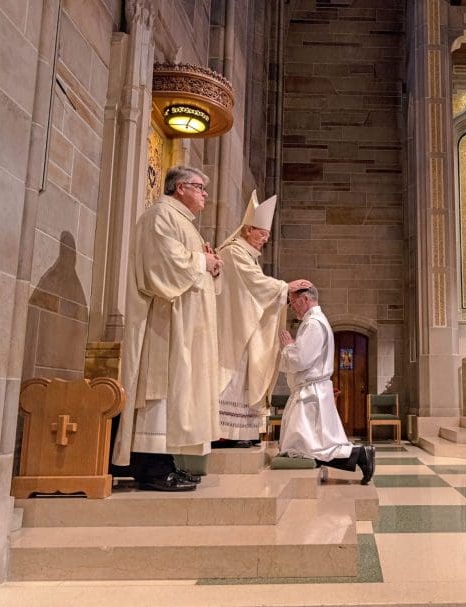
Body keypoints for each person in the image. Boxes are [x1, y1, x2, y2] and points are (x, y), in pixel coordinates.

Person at [111, 165, 224, 491]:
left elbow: (193, 267)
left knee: (175, 397)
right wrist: (202, 263)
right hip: (165, 327)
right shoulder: (159, 215)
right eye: (200, 187)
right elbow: (162, 267)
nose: (205, 194)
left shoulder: (185, 223)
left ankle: (167, 463)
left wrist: (212, 268)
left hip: (185, 329)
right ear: (180, 188)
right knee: (160, 397)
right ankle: (152, 468)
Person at [215, 190, 312, 447]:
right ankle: (225, 432)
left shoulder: (248, 257)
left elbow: (256, 288)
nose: (265, 240)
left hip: (245, 325)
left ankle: (240, 432)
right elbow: (255, 285)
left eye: (268, 236)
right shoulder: (234, 252)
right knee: (233, 376)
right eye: (262, 234)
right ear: (247, 230)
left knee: (245, 376)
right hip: (233, 327)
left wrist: (280, 291)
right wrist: (285, 288)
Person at [278, 286, 375, 484]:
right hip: (311, 391)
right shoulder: (314, 322)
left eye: (293, 302)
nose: (292, 307)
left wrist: (289, 347)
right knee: (311, 444)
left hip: (310, 395)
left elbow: (301, 359)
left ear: (305, 299)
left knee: (309, 446)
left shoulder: (313, 324)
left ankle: (361, 454)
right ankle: (360, 455)